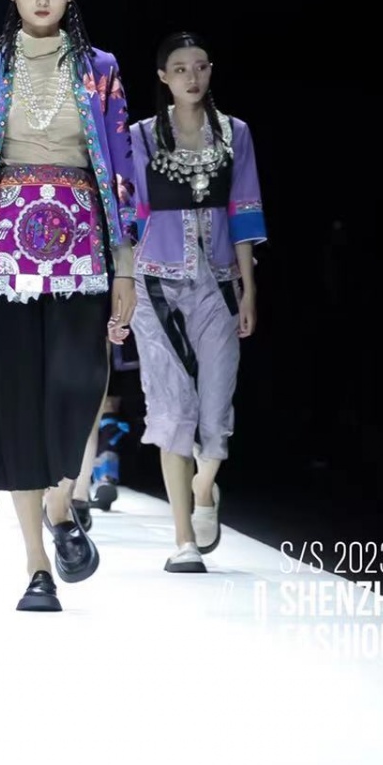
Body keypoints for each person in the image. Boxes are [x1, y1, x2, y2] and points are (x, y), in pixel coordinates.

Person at [0, 0, 136, 613]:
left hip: (82, 243)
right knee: (14, 397)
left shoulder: (99, 69)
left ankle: (62, 504)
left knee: (79, 379)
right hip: (4, 248)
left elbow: (122, 169)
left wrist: (125, 265)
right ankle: (37, 563)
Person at [118, 31, 265, 572]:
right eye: (179, 68)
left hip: (218, 282)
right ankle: (182, 539)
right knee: (171, 407)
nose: (191, 76)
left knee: (216, 408)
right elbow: (129, 214)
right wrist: (123, 282)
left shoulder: (234, 133)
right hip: (155, 283)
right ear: (163, 77)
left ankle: (205, 487)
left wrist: (248, 287)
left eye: (200, 66)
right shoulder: (140, 136)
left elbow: (244, 210)